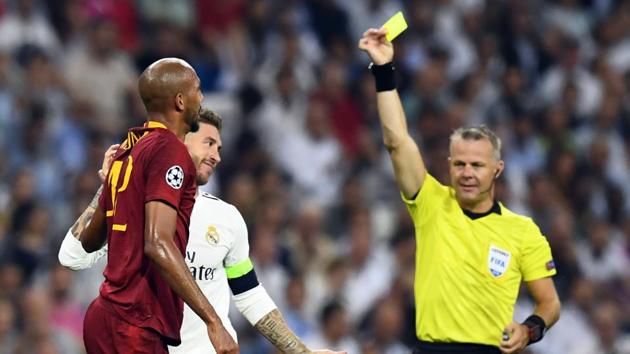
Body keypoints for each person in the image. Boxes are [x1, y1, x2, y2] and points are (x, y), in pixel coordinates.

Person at [59, 108, 345, 354]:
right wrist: (109, 187)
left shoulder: (227, 218)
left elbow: (249, 295)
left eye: (219, 148)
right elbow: (72, 257)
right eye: (209, 143)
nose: (216, 156)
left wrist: (299, 350)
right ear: (180, 142)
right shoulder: (134, 211)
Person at [358, 28, 561, 354]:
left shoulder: (523, 231)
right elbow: (396, 141)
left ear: (497, 169)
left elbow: (549, 302)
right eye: (460, 165)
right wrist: (383, 70)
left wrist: (529, 329)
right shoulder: (431, 202)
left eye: (477, 166)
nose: (467, 173)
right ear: (450, 165)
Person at [70, 58, 238, 354]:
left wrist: (109, 187)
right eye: (197, 90)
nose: (201, 98)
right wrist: (214, 321)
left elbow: (90, 240)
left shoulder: (127, 150)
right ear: (180, 100)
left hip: (103, 315)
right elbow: (157, 242)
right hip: (135, 321)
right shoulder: (169, 150)